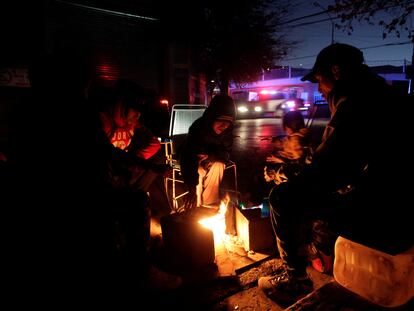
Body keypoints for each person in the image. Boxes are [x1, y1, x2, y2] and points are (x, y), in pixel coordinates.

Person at [258, 43, 413, 302]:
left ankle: (295, 279)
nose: (319, 88)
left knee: (282, 198)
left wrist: (282, 174)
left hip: (389, 214)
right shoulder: (385, 95)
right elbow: (344, 161)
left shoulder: (357, 105)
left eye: (320, 80)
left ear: (337, 72)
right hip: (397, 201)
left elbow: (326, 173)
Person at [180, 94, 236, 210]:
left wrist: (211, 156)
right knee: (199, 171)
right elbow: (188, 157)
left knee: (218, 166)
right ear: (211, 117)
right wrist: (191, 189)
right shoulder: (198, 129)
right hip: (194, 161)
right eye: (220, 120)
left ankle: (208, 207)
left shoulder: (227, 132)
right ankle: (196, 205)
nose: (224, 125)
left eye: (228, 122)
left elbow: (226, 153)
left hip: (213, 160)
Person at [264, 110, 312, 186]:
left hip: (293, 173)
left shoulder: (296, 139)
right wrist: (277, 141)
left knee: (270, 171)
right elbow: (287, 145)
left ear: (287, 127)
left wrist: (281, 160)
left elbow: (301, 163)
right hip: (288, 166)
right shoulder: (296, 137)